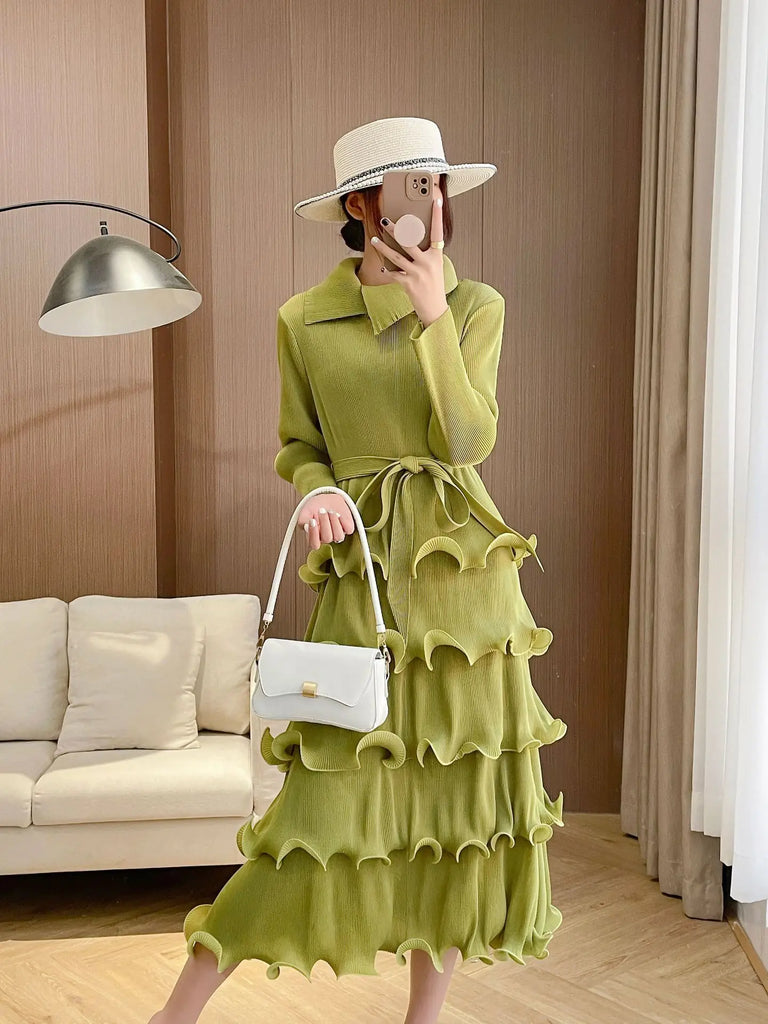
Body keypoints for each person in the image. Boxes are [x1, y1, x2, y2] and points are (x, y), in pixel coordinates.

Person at [148, 116, 567, 1024]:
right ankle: (171, 1017)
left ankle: (423, 1019)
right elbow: (299, 445)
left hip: (468, 595)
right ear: (360, 204)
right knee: (315, 814)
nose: (434, 202)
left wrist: (433, 318)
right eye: (415, 184)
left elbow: (468, 441)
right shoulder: (302, 320)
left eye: (440, 184)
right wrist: (317, 492)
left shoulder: (475, 306)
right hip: (364, 578)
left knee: (456, 821)